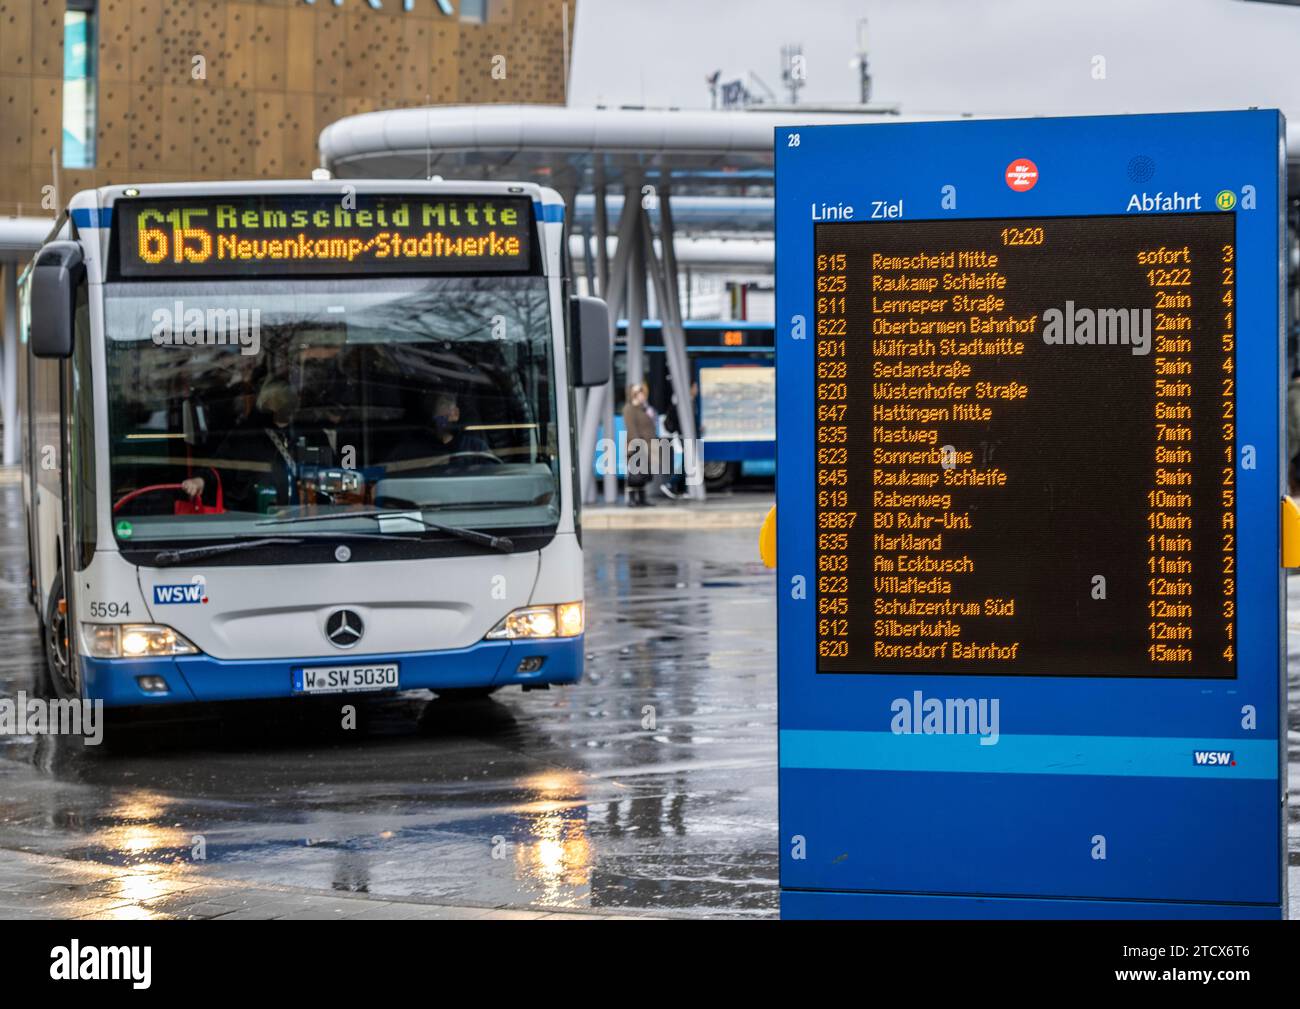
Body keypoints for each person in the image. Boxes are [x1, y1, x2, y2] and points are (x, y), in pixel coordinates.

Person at [180, 378, 333, 512]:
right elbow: (221, 466)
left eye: (287, 398)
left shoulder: (312, 432)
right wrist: (201, 480)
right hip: (256, 522)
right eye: (278, 399)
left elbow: (333, 471)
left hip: (310, 520)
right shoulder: (247, 435)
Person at [387, 391, 493, 469]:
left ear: (456, 413)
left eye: (446, 404)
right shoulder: (407, 451)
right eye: (441, 404)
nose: (434, 411)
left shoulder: (475, 448)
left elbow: (494, 480)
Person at [622, 382, 657, 507]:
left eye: (643, 393)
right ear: (633, 395)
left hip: (647, 446)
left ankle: (642, 498)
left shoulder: (645, 409)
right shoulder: (629, 409)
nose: (642, 396)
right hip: (637, 447)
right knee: (635, 475)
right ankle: (632, 499)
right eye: (638, 393)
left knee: (644, 475)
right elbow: (631, 429)